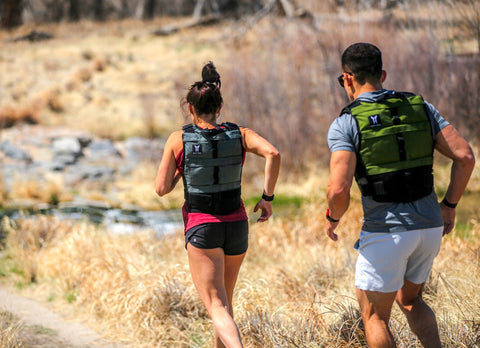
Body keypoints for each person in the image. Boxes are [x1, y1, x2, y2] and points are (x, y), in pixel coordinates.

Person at [325, 42, 475, 348]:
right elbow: (465, 157)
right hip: (430, 227)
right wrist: (449, 206)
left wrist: (333, 218)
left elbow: (338, 189)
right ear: (383, 74)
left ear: (347, 78)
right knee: (410, 300)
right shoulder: (421, 107)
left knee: (375, 317)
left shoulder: (346, 121)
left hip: (387, 232)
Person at [155, 62, 280, 348]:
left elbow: (161, 189)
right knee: (224, 304)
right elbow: (273, 153)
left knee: (216, 305)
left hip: (203, 228)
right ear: (219, 107)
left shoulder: (179, 139)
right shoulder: (241, 134)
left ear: (190, 108)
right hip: (236, 226)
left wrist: (181, 170)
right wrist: (267, 198)